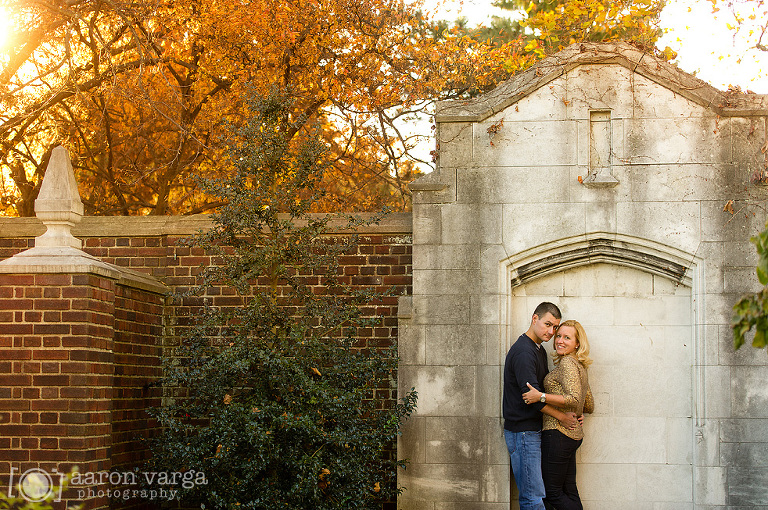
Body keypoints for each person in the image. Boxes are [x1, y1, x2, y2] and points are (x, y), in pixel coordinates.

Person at [503, 302, 579, 510]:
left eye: (555, 327)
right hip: (523, 433)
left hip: (533, 431)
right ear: (534, 319)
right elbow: (532, 399)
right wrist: (562, 418)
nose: (551, 332)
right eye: (547, 324)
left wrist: (572, 413)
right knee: (532, 497)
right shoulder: (524, 352)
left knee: (539, 494)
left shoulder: (539, 350)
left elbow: (545, 395)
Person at [522, 320, 594, 510]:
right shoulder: (578, 365)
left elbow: (573, 399)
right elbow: (588, 403)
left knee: (551, 493)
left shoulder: (568, 363)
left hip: (558, 435)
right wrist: (579, 413)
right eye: (559, 336)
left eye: (567, 337)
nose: (560, 341)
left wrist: (541, 396)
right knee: (569, 490)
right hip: (571, 436)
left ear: (577, 343)